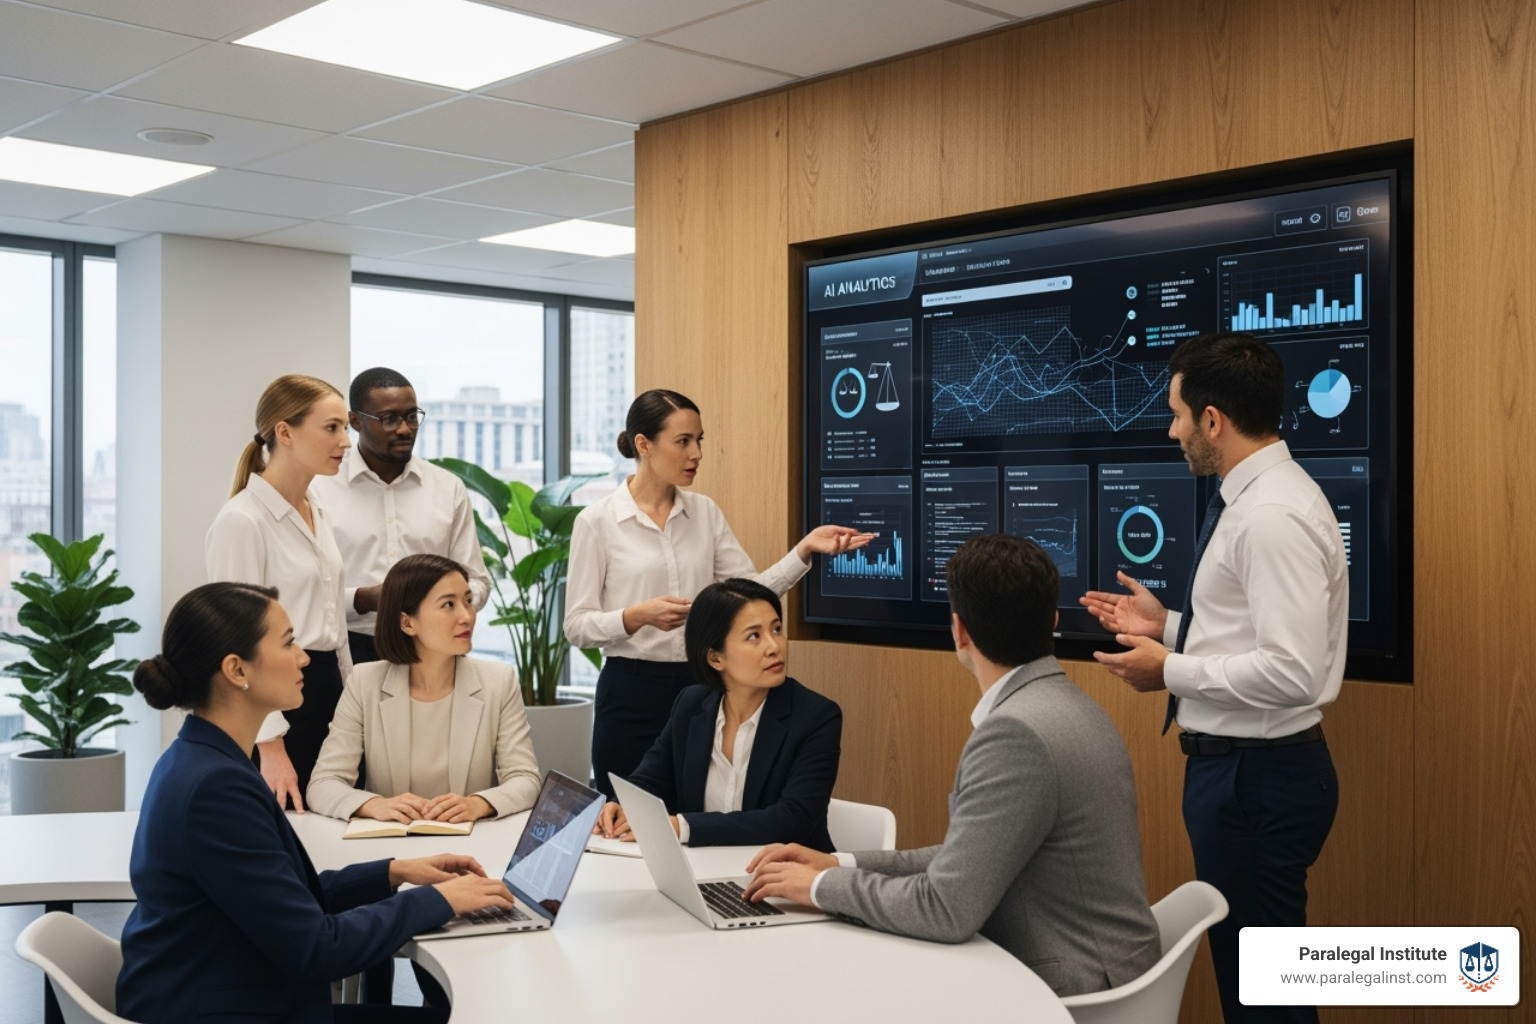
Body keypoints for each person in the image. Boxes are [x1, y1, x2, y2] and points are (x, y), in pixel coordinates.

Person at [745, 533, 1161, 998]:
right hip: (1106, 964)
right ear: (1053, 621)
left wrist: (822, 886)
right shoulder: (1071, 706)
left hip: (1069, 985)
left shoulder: (1016, 734)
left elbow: (945, 908)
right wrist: (839, 862)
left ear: (960, 631)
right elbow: (967, 857)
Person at [1079, 331, 1347, 1024]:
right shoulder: (1255, 499)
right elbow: (1252, 639)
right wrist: (1164, 624)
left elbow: (1292, 672)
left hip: (1257, 782)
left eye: (1176, 414)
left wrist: (1170, 668)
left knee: (1265, 1005)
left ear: (1213, 420)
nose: (1171, 431)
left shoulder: (1270, 517)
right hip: (1244, 777)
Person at [116, 582, 515, 1024]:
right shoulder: (216, 787)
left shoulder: (202, 758)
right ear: (236, 669)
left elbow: (280, 898)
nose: (305, 657)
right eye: (288, 643)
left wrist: (393, 872)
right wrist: (440, 899)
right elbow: (318, 949)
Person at [565, 388, 872, 799]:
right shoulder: (596, 522)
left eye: (699, 440)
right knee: (624, 819)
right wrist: (637, 615)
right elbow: (576, 626)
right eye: (683, 442)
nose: (697, 454)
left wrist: (804, 550)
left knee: (695, 820)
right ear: (644, 445)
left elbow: (746, 595)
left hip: (703, 690)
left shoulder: (705, 512)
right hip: (630, 694)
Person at [594, 578, 841, 851]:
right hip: (705, 871)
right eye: (754, 636)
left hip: (786, 877)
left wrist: (682, 826)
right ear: (715, 658)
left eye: (777, 629)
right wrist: (620, 805)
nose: (774, 647)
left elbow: (792, 819)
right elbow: (649, 780)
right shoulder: (691, 705)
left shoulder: (816, 716)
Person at [206, 373, 353, 810]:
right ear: (284, 433)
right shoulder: (242, 521)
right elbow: (234, 642)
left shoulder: (318, 509)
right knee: (291, 837)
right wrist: (270, 747)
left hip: (328, 693)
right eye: (332, 427)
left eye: (346, 427)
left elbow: (333, 625)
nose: (346, 441)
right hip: (277, 707)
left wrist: (352, 710)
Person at [308, 553, 542, 824]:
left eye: (467, 601)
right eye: (448, 605)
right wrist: (374, 805)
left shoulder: (498, 681)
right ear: (407, 623)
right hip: (391, 851)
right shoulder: (364, 682)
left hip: (472, 845)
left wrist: (478, 804)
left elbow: (525, 779)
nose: (467, 616)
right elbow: (324, 783)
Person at [311, 367, 489, 668]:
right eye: (389, 419)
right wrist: (364, 598)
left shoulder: (447, 489)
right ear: (355, 421)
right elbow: (306, 594)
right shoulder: (318, 489)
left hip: (434, 649)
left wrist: (446, 600)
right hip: (349, 649)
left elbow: (477, 580)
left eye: (411, 416)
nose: (405, 429)